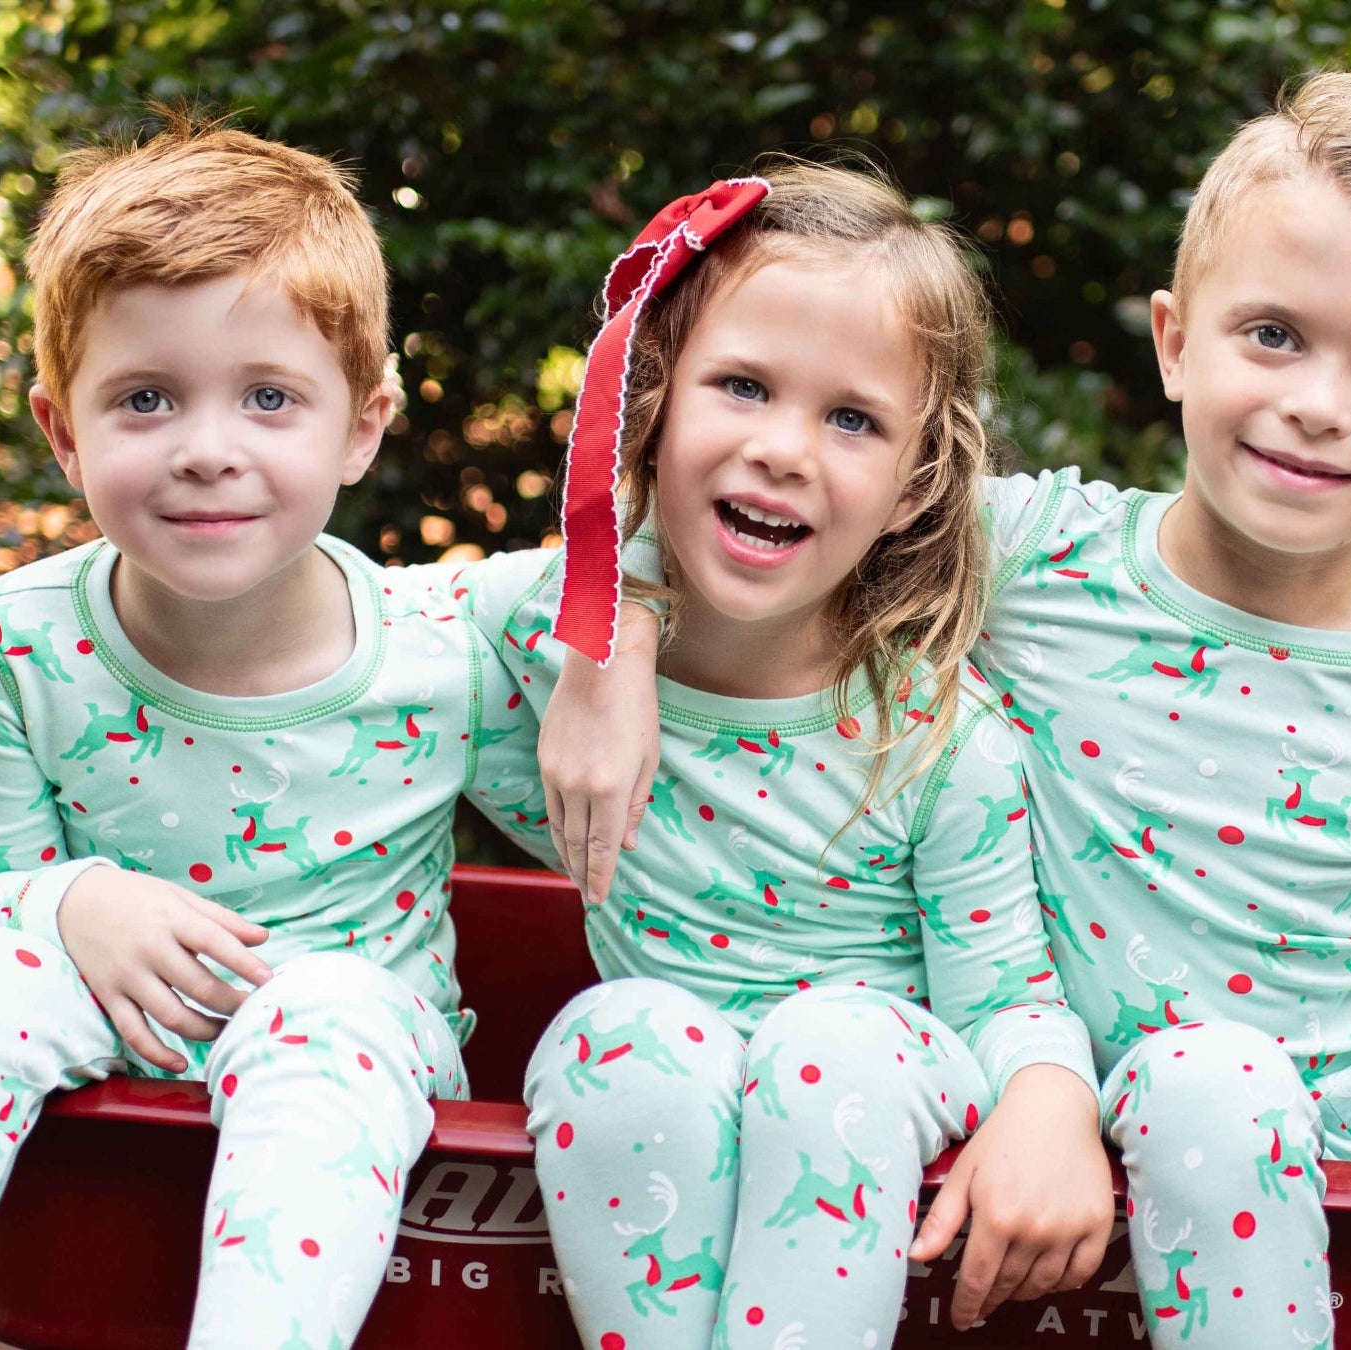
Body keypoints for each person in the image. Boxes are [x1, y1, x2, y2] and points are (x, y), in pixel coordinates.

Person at [551, 74, 1351, 1349]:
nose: (1318, 401)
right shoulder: (1024, 550)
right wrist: (613, 650)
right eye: (1272, 335)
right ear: (1173, 341)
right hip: (1137, 1093)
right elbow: (763, 536)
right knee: (1217, 1086)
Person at [0, 111, 544, 1350]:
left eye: (270, 398)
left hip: (349, 1070)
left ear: (362, 426)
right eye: (146, 399)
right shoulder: (20, 637)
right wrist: (69, 903)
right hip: (102, 1052)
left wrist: (605, 707)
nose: (209, 451)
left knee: (325, 1004)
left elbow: (618, 847)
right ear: (63, 432)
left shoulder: (439, 651)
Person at [457, 159, 1113, 1350]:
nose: (783, 449)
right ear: (649, 404)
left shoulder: (935, 741)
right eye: (743, 386)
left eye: (850, 417)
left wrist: (1051, 1100)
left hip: (879, 1065)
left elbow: (1004, 995)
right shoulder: (542, 631)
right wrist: (615, 641)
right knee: (620, 1034)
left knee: (824, 1046)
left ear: (916, 484)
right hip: (668, 1071)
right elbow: (324, 658)